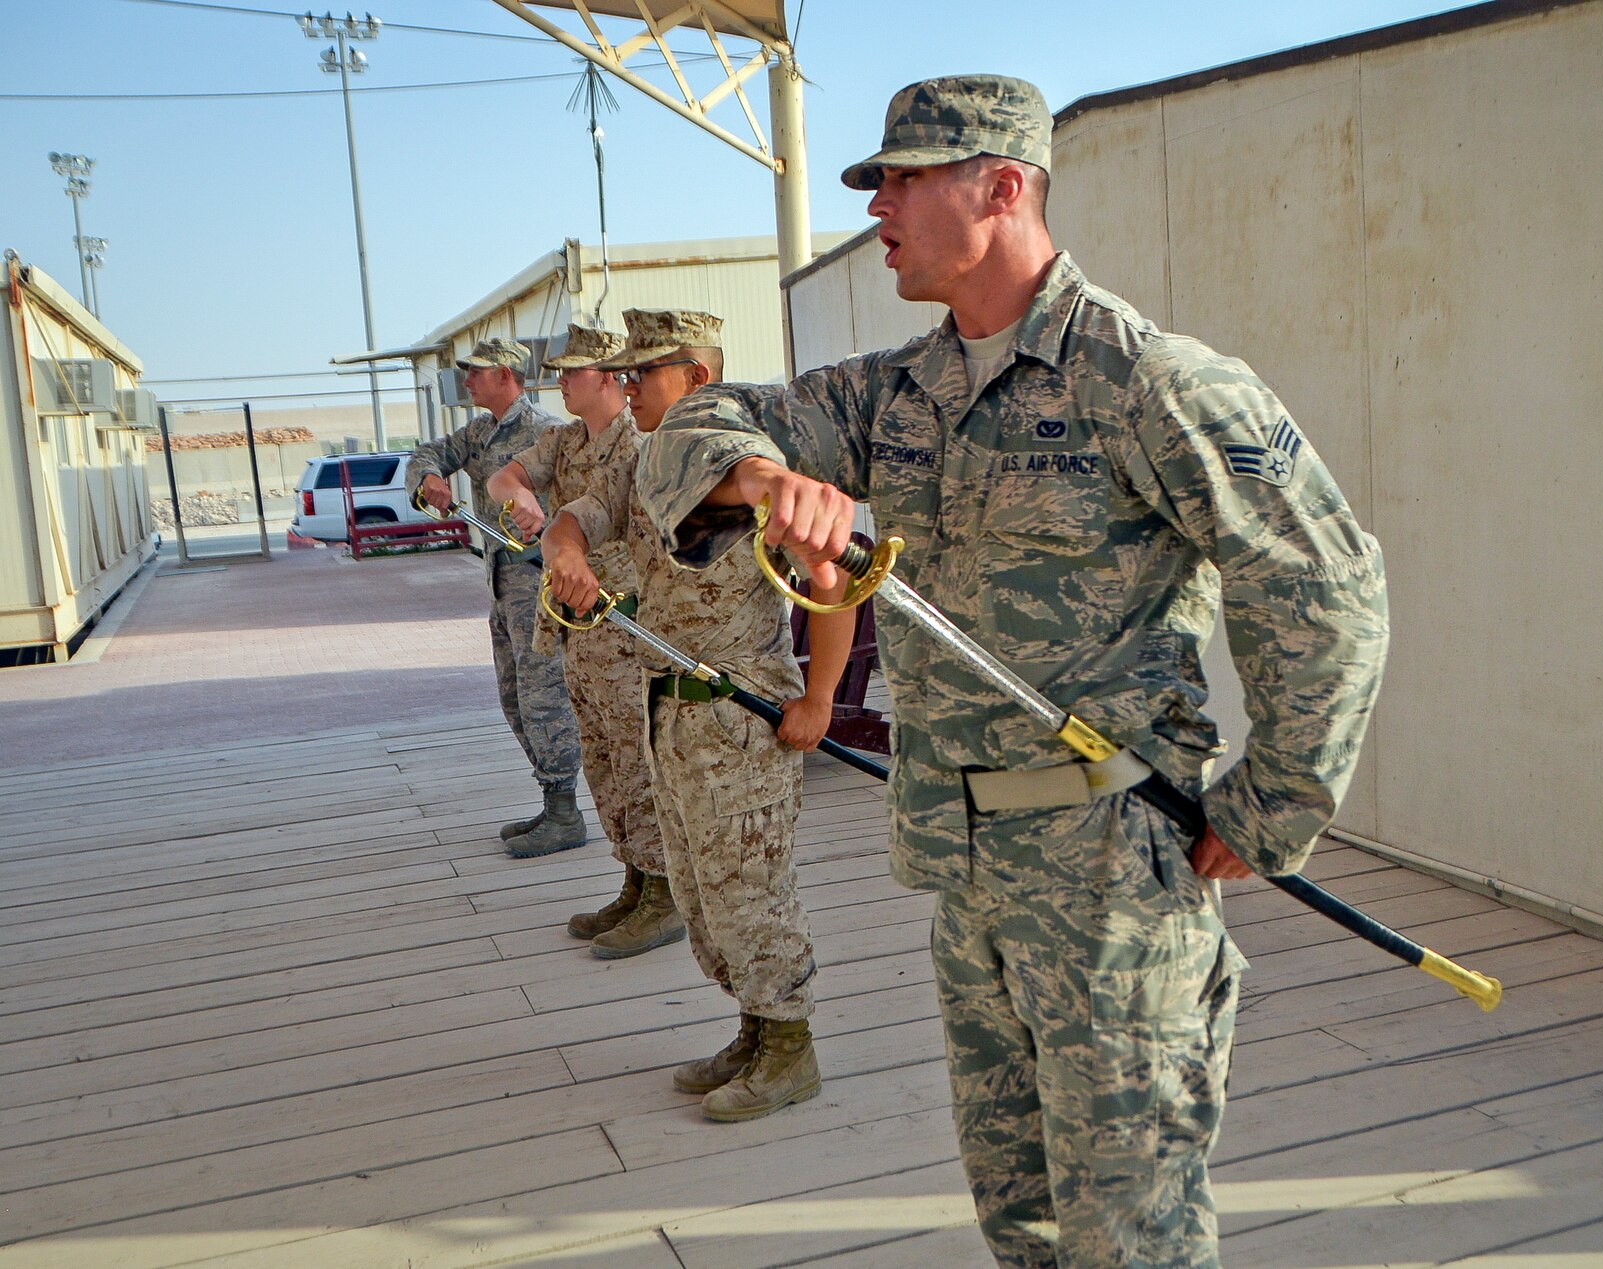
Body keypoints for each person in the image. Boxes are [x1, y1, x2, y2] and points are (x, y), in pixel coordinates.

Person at [630, 75, 1391, 1266]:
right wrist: (765, 480)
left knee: (1126, 1228)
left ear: (1001, 186)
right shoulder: (894, 393)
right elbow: (686, 429)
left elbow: (1322, 583)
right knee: (1018, 1214)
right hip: (965, 871)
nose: (876, 203)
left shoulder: (1150, 381)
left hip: (1110, 885)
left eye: (902, 176)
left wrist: (1274, 802)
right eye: (875, 181)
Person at [542, 309, 856, 1120]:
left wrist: (818, 698)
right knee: (700, 892)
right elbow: (576, 514)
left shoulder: (740, 463)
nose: (629, 386)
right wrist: (568, 553)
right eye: (627, 373)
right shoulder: (642, 461)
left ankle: (790, 1046)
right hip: (665, 710)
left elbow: (831, 577)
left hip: (741, 716)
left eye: (645, 373)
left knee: (752, 890)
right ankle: (753, 1029)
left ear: (698, 378)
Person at [484, 323, 687, 958]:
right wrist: (520, 496)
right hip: (577, 629)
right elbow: (502, 478)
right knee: (601, 759)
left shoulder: (641, 446)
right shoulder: (565, 440)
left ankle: (664, 895)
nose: (561, 382)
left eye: (573, 372)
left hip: (626, 627)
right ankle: (634, 879)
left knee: (637, 760)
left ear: (608, 380)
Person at [406, 336, 585, 858]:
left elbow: (582, 510)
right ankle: (553, 798)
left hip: (541, 585)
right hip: (502, 582)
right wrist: (430, 478)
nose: (467, 380)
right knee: (512, 696)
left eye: (476, 371)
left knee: (543, 696)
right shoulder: (482, 432)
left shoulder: (549, 432)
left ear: (506, 375)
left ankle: (565, 811)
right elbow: (428, 453)